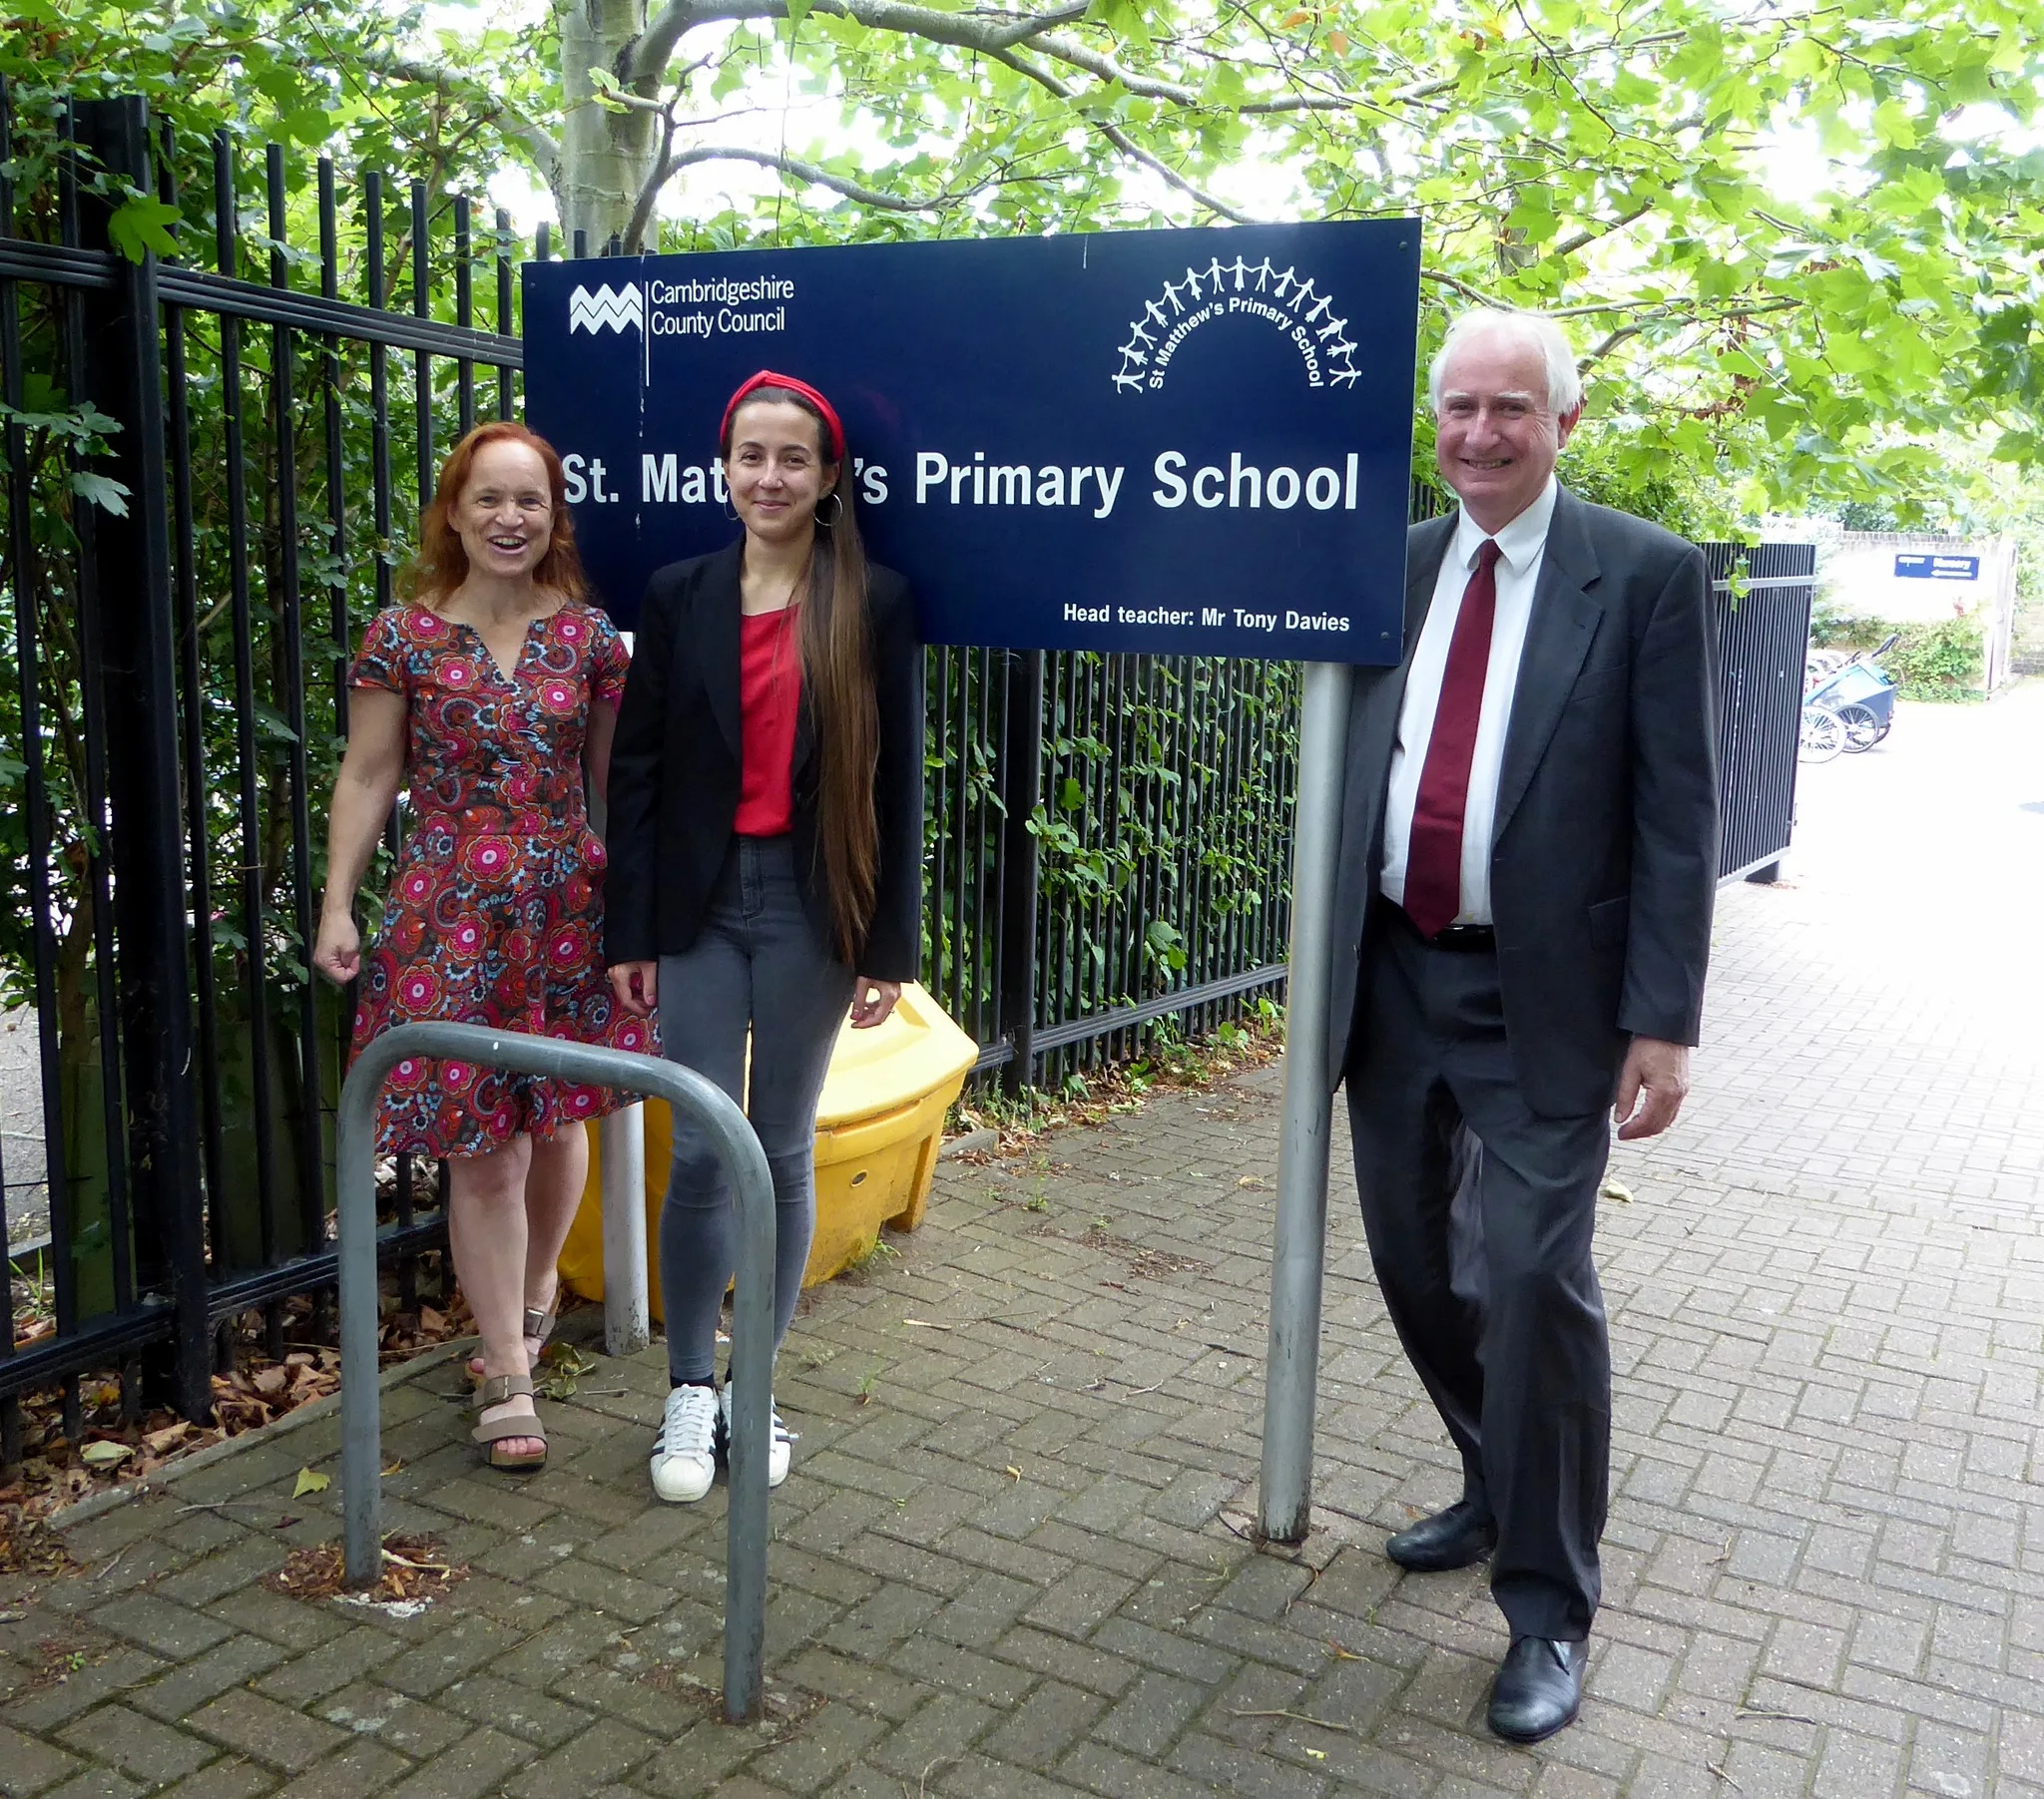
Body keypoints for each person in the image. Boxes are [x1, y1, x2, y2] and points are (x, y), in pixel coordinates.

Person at [1325, 308, 1719, 1741]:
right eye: (1457, 408)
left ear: (1564, 420)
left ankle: (1548, 1603)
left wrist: (1663, 1020)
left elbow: (1682, 810)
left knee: (1534, 1279)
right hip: (1395, 975)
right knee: (1418, 1263)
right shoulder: (1395, 566)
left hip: (1549, 997)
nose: (1479, 434)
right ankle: (1499, 1475)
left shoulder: (1648, 577)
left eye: (1510, 409)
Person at [606, 370, 924, 1506]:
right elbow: (636, 772)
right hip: (694, 908)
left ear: (828, 477)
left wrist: (891, 943)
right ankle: (689, 1385)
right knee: (700, 1144)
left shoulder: (872, 602)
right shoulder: (677, 590)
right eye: (750, 455)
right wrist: (629, 928)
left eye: (792, 459)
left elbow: (897, 785)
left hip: (810, 905)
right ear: (722, 466)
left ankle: (757, 1385)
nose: (770, 477)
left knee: (781, 1145)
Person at [313, 421, 651, 1473]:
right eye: (489, 499)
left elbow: (616, 791)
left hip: (563, 912)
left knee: (553, 1124)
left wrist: (640, 921)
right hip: (446, 912)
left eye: (531, 501)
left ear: (554, 517)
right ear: (453, 512)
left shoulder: (592, 640)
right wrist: (337, 903)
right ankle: (506, 1367)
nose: (511, 518)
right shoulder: (401, 637)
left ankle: (538, 1287)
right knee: (481, 1145)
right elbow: (369, 775)